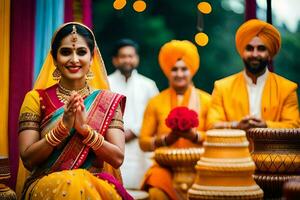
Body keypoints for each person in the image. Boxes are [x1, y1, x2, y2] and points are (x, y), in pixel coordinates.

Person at [18, 22, 133, 200]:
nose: (74, 59)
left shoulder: (107, 101)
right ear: (54, 58)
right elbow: (28, 160)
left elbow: (117, 158)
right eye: (65, 52)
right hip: (46, 186)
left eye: (81, 52)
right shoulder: (35, 98)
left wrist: (84, 130)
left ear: (92, 57)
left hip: (94, 185)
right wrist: (61, 128)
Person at [139, 40, 211, 200]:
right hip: (165, 166)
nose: (179, 74)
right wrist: (166, 140)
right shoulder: (155, 102)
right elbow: (143, 142)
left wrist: (194, 136)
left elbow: (216, 138)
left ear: (191, 70)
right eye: (174, 69)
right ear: (167, 71)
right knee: (156, 194)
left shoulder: (207, 100)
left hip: (200, 166)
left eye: (184, 69)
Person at [206, 19, 299, 130]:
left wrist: (266, 125)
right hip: (235, 147)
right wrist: (236, 125)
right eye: (249, 48)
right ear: (242, 52)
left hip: (271, 148)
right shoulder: (222, 87)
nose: (255, 54)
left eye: (261, 49)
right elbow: (211, 125)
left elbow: (294, 126)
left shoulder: (287, 89)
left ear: (269, 54)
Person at [108, 39, 159, 189]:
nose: (127, 60)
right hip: (113, 143)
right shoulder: (106, 83)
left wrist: (135, 131)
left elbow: (156, 115)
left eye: (131, 56)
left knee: (142, 188)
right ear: (115, 60)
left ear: (137, 58)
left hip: (139, 146)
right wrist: (116, 133)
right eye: (123, 56)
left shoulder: (148, 85)